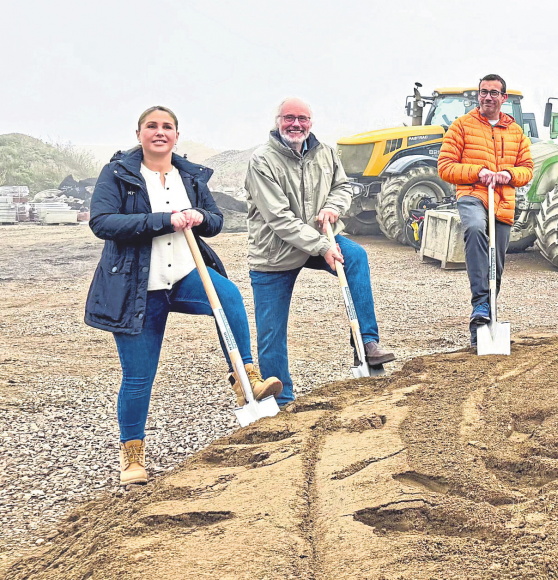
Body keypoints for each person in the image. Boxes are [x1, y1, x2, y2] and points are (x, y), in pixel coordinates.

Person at [85, 106, 283, 486]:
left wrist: (199, 217)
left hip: (187, 275)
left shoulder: (187, 175)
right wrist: (165, 221)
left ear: (177, 135)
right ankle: (132, 456)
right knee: (139, 377)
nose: (160, 132)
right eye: (152, 127)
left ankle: (246, 378)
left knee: (228, 297)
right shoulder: (118, 173)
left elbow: (216, 221)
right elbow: (102, 222)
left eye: (168, 127)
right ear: (139, 133)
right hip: (136, 287)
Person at [245, 97, 395, 406]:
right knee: (271, 333)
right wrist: (323, 245)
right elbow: (279, 218)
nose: (296, 124)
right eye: (289, 118)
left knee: (355, 256)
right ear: (278, 122)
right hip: (275, 251)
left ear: (311, 123)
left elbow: (343, 188)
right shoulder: (262, 160)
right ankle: (281, 402)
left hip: (319, 238)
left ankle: (367, 343)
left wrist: (333, 207)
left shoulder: (325, 153)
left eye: (302, 118)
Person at [437, 74, 534, 346]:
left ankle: (483, 324)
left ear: (504, 98)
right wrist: (478, 173)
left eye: (494, 92)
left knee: (497, 266)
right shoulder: (462, 126)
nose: (488, 97)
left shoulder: (515, 132)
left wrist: (507, 174)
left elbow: (527, 170)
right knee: (476, 228)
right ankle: (480, 305)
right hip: (473, 195)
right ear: (478, 96)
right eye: (483, 92)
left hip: (502, 203)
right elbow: (445, 167)